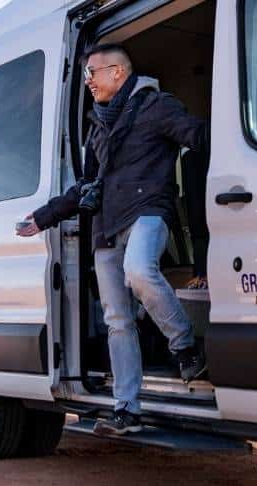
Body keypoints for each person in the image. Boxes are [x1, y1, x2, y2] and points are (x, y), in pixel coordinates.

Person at [17, 43, 208, 435]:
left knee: (140, 270)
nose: (87, 81)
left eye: (92, 73)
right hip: (106, 225)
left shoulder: (157, 106)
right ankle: (127, 408)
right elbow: (87, 185)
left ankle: (184, 344)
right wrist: (43, 216)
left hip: (149, 210)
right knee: (118, 320)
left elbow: (200, 137)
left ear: (117, 73)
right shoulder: (98, 126)